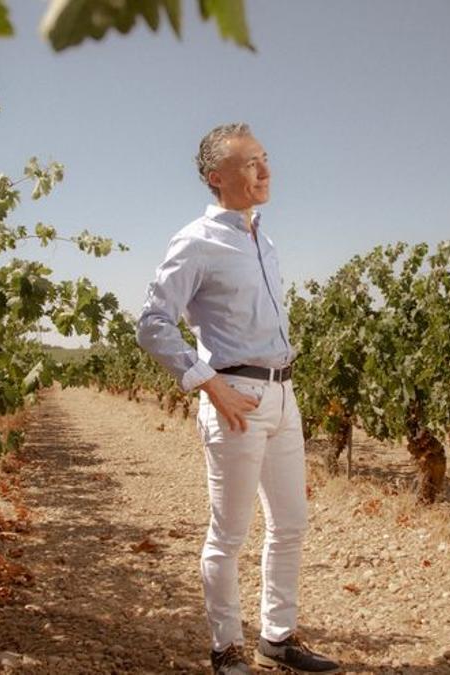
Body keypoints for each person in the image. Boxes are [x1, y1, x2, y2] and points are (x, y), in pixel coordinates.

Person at [136, 123, 340, 675]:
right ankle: (226, 646)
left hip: (282, 394)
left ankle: (278, 637)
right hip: (236, 398)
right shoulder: (197, 241)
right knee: (228, 534)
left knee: (291, 524)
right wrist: (208, 381)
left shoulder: (262, 238)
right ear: (216, 178)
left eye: (265, 159)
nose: (265, 171)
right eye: (250, 164)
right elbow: (153, 324)